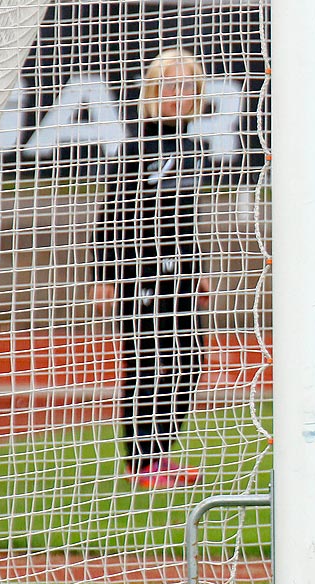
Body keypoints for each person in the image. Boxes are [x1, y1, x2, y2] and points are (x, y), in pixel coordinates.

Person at [93, 48, 212, 490]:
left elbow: (183, 218)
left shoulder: (193, 146)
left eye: (187, 86)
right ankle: (144, 463)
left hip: (179, 272)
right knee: (147, 364)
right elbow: (112, 214)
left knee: (192, 361)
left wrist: (197, 269)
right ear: (153, 92)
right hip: (139, 273)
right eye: (169, 86)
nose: (179, 95)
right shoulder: (138, 147)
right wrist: (104, 275)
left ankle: (160, 455)